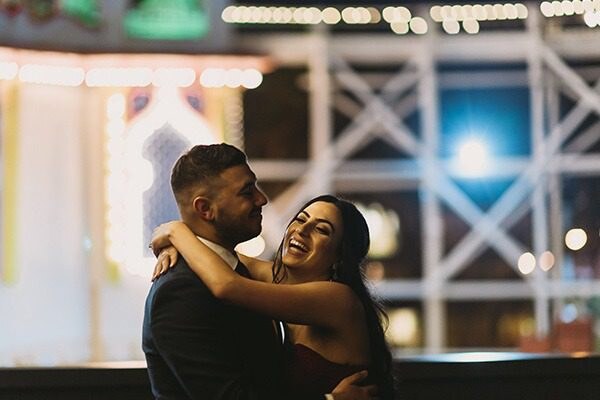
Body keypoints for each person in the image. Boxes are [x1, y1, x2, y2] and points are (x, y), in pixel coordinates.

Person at [142, 143, 376, 400]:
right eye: (300, 219)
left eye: (322, 229)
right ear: (205, 209)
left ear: (340, 257)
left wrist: (177, 231)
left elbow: (227, 285)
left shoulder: (337, 299)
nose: (261, 199)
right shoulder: (182, 291)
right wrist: (176, 239)